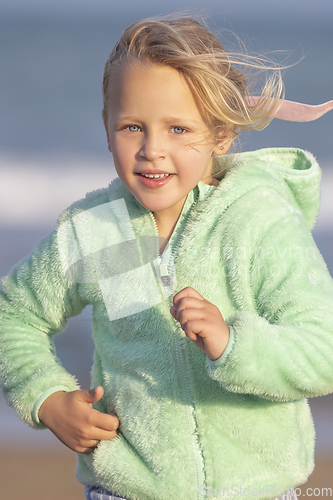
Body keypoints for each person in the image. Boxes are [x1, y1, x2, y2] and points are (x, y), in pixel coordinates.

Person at [1, 16, 333, 500]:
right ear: (106, 125)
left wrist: (234, 343)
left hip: (257, 489)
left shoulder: (260, 223)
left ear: (221, 134)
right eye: (133, 127)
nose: (152, 150)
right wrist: (47, 399)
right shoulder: (95, 228)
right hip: (125, 490)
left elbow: (322, 351)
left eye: (179, 128)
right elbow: (15, 314)